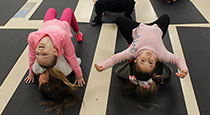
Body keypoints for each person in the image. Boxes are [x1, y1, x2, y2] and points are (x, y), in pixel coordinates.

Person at [95, 14, 188, 108]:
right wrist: (184, 70)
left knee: (119, 19)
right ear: (156, 64)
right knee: (166, 17)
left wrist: (103, 66)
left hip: (138, 28)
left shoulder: (132, 51)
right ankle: (157, 37)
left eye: (142, 60)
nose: (148, 58)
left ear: (135, 60)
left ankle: (130, 41)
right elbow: (178, 60)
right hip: (157, 29)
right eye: (150, 62)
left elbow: (115, 58)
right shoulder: (162, 55)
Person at [24, 8, 85, 87]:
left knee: (51, 10)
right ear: (55, 51)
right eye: (44, 54)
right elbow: (71, 56)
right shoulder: (63, 36)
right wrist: (79, 75)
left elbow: (32, 56)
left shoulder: (32, 37)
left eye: (38, 54)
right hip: (63, 25)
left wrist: (31, 73)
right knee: (68, 10)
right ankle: (78, 33)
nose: (39, 50)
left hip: (48, 23)